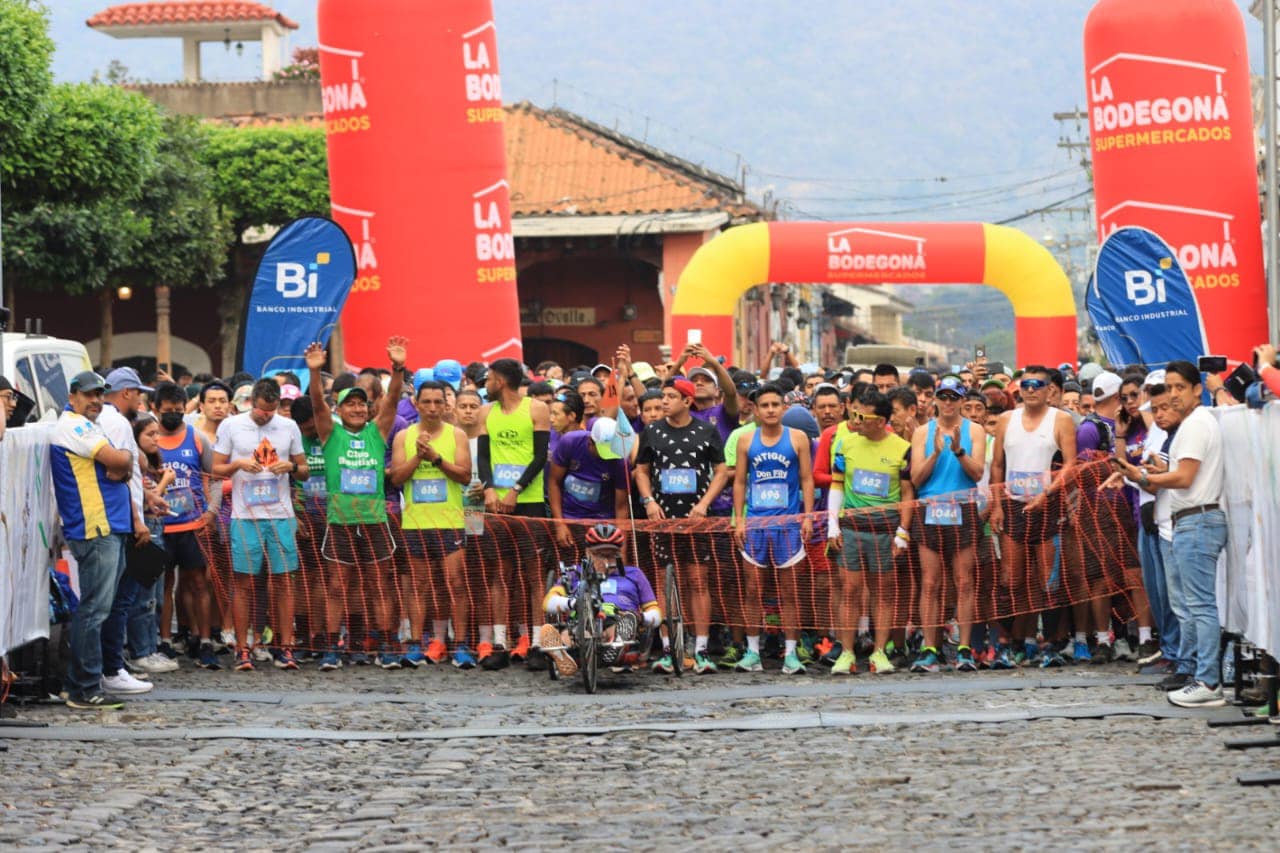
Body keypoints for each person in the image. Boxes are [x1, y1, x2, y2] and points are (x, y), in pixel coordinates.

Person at [1130, 361, 1227, 708]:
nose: (1172, 395)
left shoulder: (1198, 423)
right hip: (1191, 518)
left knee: (1198, 606)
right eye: (1168, 388)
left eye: (1179, 388)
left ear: (1197, 389)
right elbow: (1183, 474)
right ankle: (1203, 675)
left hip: (1197, 520)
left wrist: (1145, 478)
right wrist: (1158, 472)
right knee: (1191, 605)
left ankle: (1208, 680)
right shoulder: (1194, 424)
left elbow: (1185, 478)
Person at [305, 338, 406, 670]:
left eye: (363, 405)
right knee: (337, 586)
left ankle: (387, 645)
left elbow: (392, 400)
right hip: (340, 522)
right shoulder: (330, 434)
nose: (359, 409)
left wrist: (397, 368)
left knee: (380, 584)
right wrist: (315, 372)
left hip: (375, 522)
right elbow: (317, 403)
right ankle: (334, 647)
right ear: (340, 409)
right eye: (351, 404)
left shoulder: (377, 433)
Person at [51, 371, 139, 709]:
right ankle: (83, 688)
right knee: (93, 611)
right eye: (89, 395)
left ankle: (80, 683)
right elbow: (118, 460)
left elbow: (124, 464)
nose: (96, 401)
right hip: (95, 527)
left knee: (96, 610)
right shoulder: (74, 425)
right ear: (72, 396)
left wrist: (123, 464)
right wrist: (121, 463)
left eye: (100, 395)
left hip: (107, 527)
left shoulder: (91, 424)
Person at [211, 378, 310, 672]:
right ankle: (242, 649)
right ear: (251, 401)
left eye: (271, 411)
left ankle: (286, 648)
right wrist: (238, 465)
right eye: (261, 411)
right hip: (245, 516)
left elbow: (304, 470)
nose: (265, 416)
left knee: (283, 582)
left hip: (280, 515)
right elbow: (215, 468)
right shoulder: (231, 425)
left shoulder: (289, 427)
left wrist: (290, 467)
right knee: (243, 582)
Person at [635, 377, 729, 674]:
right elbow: (641, 470)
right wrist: (649, 501)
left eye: (671, 397)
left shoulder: (707, 430)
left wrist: (703, 504)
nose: (663, 402)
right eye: (663, 396)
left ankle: (700, 650)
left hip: (696, 521)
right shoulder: (652, 431)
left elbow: (722, 471)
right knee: (665, 585)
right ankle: (668, 648)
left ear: (687, 401)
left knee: (698, 582)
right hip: (662, 520)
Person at [989, 365, 1077, 668]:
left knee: (1047, 580)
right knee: (1011, 579)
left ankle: (1050, 645)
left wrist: (1048, 493)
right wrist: (997, 505)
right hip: (1013, 504)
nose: (1030, 390)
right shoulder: (1006, 420)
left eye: (1037, 384)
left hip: (1047, 504)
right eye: (1025, 384)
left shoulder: (1061, 419)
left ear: (1049, 389)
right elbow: (997, 466)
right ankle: (1012, 644)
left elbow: (1070, 465)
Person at [828, 389, 914, 675]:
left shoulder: (902, 448)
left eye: (862, 417)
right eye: (853, 414)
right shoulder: (844, 443)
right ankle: (847, 652)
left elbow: (906, 492)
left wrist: (903, 532)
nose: (856, 421)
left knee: (882, 592)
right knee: (850, 591)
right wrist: (831, 526)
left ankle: (879, 652)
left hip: (885, 530)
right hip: (851, 528)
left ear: (881, 421)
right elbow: (837, 485)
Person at [390, 379, 474, 669]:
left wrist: (436, 458)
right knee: (420, 585)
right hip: (415, 522)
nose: (433, 407)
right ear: (416, 404)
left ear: (445, 404)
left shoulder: (457, 436)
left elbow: (464, 476)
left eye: (439, 402)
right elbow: (397, 477)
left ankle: (461, 644)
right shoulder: (404, 436)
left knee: (456, 584)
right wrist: (418, 455)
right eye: (427, 402)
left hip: (450, 520)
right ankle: (416, 643)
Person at [732, 384, 814, 675]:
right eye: (764, 405)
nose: (769, 410)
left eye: (775, 405)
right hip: (755, 524)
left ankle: (791, 654)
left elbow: (806, 478)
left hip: (789, 526)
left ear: (783, 408)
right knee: (753, 590)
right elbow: (740, 481)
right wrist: (739, 520)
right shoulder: (745, 441)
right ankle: (753, 652)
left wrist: (807, 516)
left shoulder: (798, 439)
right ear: (755, 409)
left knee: (790, 592)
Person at [477, 358, 552, 670]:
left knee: (533, 574)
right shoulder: (485, 413)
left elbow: (539, 457)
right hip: (495, 503)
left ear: (500, 380)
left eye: (488, 379)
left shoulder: (536, 408)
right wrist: (490, 489)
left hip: (529, 500)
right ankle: (499, 642)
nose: (486, 384)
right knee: (499, 573)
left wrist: (516, 489)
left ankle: (536, 643)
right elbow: (483, 456)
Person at [909, 375, 986, 673]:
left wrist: (957, 450)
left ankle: (964, 648)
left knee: (964, 581)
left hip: (963, 508)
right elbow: (916, 479)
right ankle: (931, 647)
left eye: (954, 397)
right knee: (930, 582)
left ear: (962, 400)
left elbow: (978, 473)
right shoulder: (922, 433)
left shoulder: (975, 431)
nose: (948, 402)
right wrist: (937, 452)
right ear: (935, 400)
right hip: (930, 508)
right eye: (944, 396)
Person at [151, 382, 222, 670]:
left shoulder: (196, 438)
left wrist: (212, 512)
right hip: (160, 527)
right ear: (155, 410)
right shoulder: (149, 440)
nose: (173, 416)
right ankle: (165, 641)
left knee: (198, 584)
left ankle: (204, 641)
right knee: (164, 586)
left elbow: (214, 475)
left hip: (192, 525)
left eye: (179, 412)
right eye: (167, 412)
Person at [97, 367, 156, 697]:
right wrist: (137, 519)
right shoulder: (117, 422)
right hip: (123, 520)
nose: (141, 398)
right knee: (119, 601)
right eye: (138, 393)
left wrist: (146, 496)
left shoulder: (110, 421)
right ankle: (112, 668)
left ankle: (110, 665)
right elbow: (118, 474)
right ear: (125, 393)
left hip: (122, 515)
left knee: (116, 600)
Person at [541, 523, 662, 677]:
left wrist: (642, 618)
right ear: (588, 554)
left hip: (620, 615)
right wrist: (572, 603)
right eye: (599, 554)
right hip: (583, 616)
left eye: (610, 555)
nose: (605, 560)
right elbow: (548, 602)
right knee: (577, 631)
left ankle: (617, 644)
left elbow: (656, 612)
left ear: (619, 555)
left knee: (620, 624)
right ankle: (562, 651)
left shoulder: (634, 574)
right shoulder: (574, 574)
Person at [125, 413, 180, 675]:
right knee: (144, 597)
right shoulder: (136, 463)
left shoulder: (152, 464)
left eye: (158, 433)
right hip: (146, 529)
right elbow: (145, 500)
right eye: (150, 434)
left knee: (155, 596)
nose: (157, 438)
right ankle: (141, 651)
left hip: (159, 527)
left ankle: (150, 646)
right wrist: (165, 483)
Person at [548, 416, 630, 554]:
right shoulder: (570, 442)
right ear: (591, 442)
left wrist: (621, 551)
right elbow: (554, 482)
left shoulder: (621, 461)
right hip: (568, 517)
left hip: (602, 524)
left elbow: (621, 508)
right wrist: (559, 524)